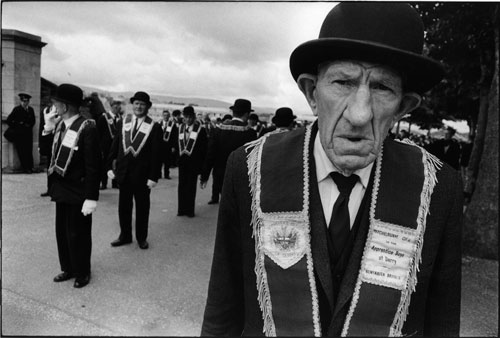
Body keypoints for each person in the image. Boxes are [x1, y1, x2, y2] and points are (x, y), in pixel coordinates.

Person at [201, 3, 463, 336]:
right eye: (343, 82)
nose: (359, 114)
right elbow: (222, 311)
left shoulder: (437, 188)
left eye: (382, 88)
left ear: (404, 106)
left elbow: (442, 322)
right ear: (312, 91)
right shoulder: (251, 168)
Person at [41, 83, 101, 288]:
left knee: (79, 234)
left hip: (78, 190)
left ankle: (83, 271)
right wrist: (48, 128)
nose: (53, 107)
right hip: (61, 189)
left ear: (65, 106)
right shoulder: (60, 125)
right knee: (62, 232)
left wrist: (92, 197)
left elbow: (93, 165)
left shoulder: (87, 127)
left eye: (56, 103)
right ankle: (68, 267)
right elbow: (50, 154)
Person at [107, 91, 163, 250]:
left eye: (142, 104)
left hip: (143, 175)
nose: (139, 107)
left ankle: (141, 237)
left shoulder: (154, 126)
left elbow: (156, 154)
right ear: (133, 105)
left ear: (148, 107)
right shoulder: (123, 122)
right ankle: (125, 235)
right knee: (123, 207)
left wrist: (153, 176)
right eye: (136, 103)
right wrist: (108, 167)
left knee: (142, 208)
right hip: (124, 173)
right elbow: (115, 145)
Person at [200, 99, 257, 204]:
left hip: (220, 175)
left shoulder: (218, 130)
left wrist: (205, 176)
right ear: (247, 114)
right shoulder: (250, 133)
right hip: (241, 177)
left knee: (225, 205)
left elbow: (210, 155)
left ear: (233, 112)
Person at [177, 106, 208, 217]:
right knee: (181, 186)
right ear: (183, 117)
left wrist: (201, 165)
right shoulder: (180, 128)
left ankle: (190, 210)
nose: (188, 119)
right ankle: (181, 209)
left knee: (191, 186)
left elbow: (203, 148)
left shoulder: (200, 129)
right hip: (182, 162)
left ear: (194, 117)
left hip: (194, 162)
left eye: (190, 117)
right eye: (186, 117)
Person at [5, 93, 36, 173]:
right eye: (22, 101)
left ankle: (30, 167)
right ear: (20, 101)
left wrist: (28, 126)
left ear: (28, 102)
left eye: (26, 101)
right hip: (19, 134)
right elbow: (9, 120)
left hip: (28, 134)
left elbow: (33, 121)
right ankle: (26, 168)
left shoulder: (31, 110)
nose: (24, 103)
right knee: (22, 151)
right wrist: (18, 125)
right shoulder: (17, 109)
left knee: (29, 150)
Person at [97, 99, 123, 189]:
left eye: (119, 107)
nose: (117, 108)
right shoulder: (104, 117)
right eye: (115, 106)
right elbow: (99, 132)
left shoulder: (120, 118)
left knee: (116, 164)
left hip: (116, 146)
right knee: (104, 164)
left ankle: (115, 183)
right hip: (105, 146)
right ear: (111, 107)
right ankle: (103, 183)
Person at [160, 109, 179, 179]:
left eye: (167, 115)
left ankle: (166, 174)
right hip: (160, 145)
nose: (165, 117)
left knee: (167, 161)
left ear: (169, 116)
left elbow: (175, 136)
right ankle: (159, 174)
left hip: (168, 145)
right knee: (159, 161)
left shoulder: (172, 125)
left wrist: (174, 146)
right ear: (162, 116)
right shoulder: (159, 123)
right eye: (164, 115)